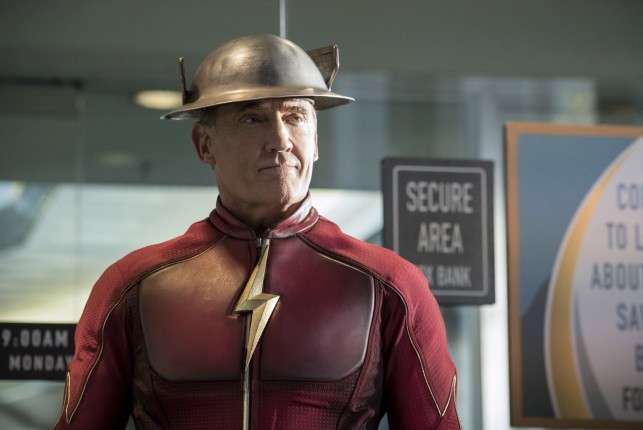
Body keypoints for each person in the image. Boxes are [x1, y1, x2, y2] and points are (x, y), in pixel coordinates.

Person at [54, 34, 461, 429]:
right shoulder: (131, 287)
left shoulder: (391, 286)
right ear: (204, 144)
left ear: (315, 141)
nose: (280, 140)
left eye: (295, 117)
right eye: (252, 118)